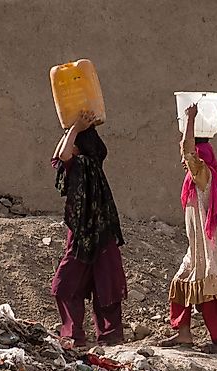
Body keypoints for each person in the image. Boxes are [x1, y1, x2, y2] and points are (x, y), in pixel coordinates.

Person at [160, 104, 217, 352]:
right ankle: (183, 334)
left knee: (209, 287)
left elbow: (188, 151)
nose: (185, 161)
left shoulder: (203, 175)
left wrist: (190, 119)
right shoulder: (195, 180)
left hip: (209, 242)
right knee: (182, 279)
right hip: (198, 242)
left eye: (190, 158)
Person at [49, 110, 127, 347]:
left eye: (73, 141)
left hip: (92, 235)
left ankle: (100, 336)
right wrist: (73, 128)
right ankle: (82, 335)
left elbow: (61, 155)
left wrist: (75, 129)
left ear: (79, 146)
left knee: (104, 285)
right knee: (70, 284)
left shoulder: (82, 165)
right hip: (91, 235)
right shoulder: (85, 163)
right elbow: (58, 155)